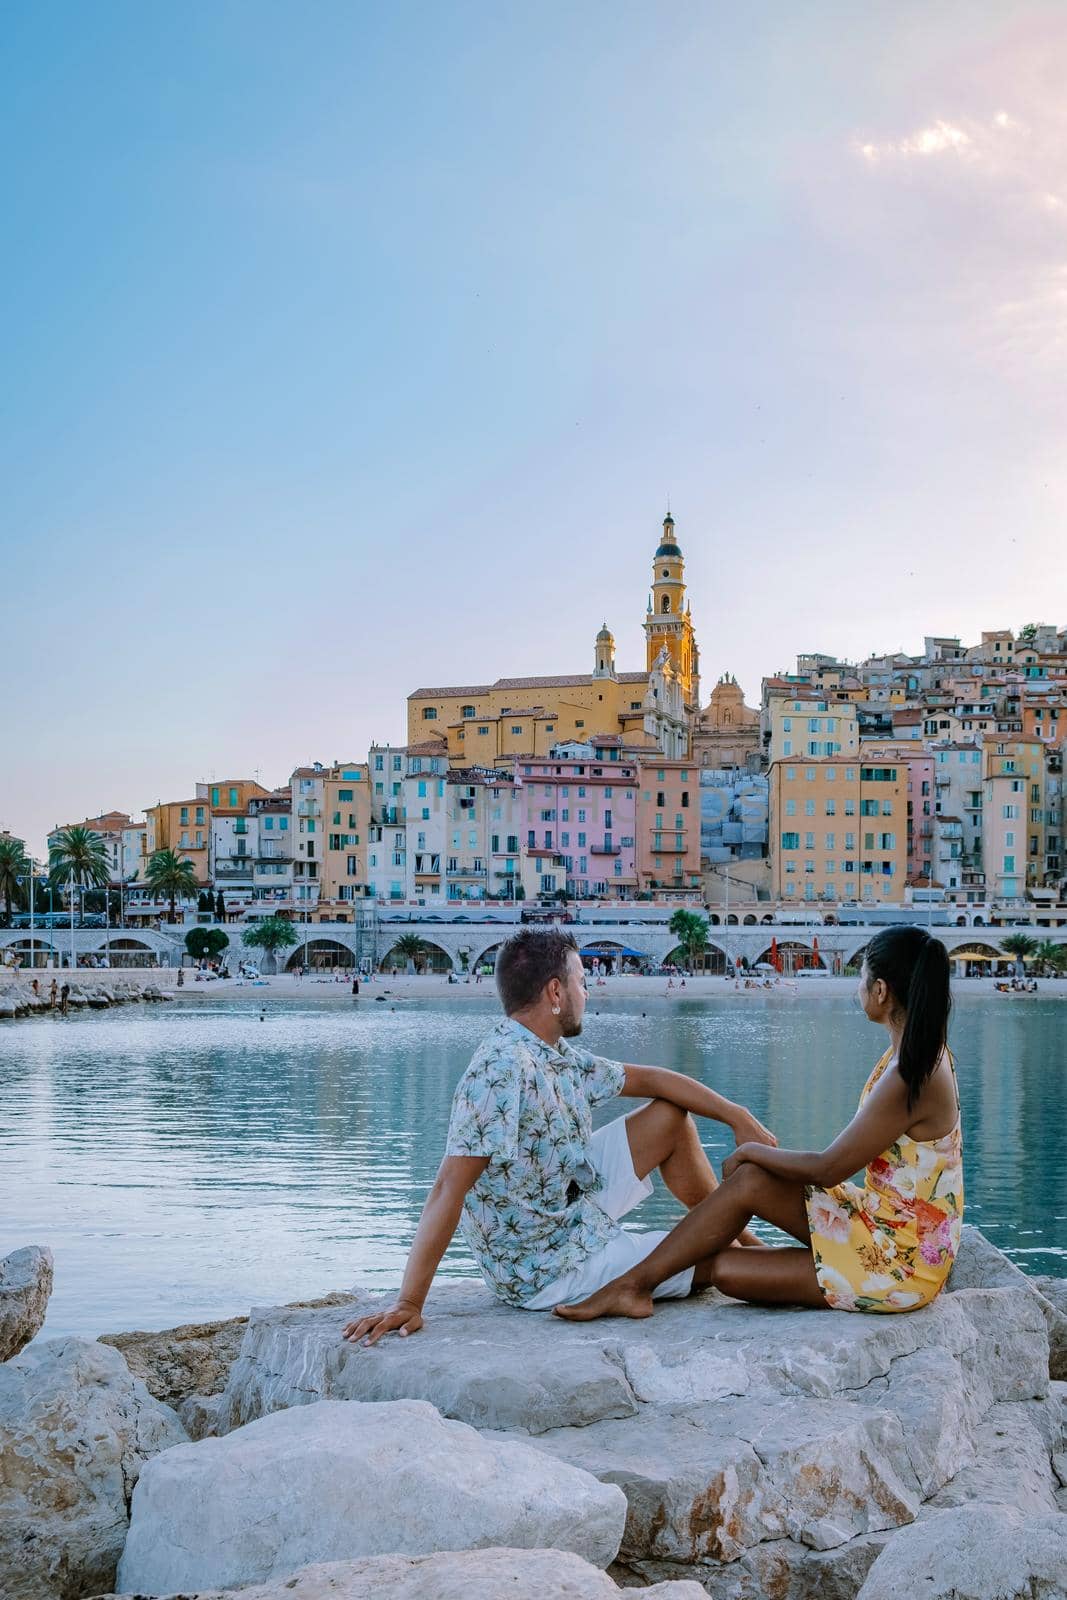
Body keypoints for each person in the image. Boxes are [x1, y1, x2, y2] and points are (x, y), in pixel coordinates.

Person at [342, 927, 775, 1347]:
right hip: (545, 1267)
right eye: (582, 982)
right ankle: (738, 1249)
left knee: (669, 1119)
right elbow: (447, 1188)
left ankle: (740, 1234)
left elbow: (656, 1081)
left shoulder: (553, 1054)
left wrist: (737, 1116)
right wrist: (410, 1301)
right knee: (716, 1260)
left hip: (567, 1207)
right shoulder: (501, 1068)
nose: (588, 994)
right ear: (555, 993)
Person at [555, 926, 962, 1322]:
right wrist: (754, 1161)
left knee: (727, 1270)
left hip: (899, 1264)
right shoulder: (916, 1053)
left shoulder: (911, 1074)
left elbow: (828, 1168)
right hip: (877, 1222)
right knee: (749, 1181)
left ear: (881, 991)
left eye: (862, 977)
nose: (857, 987)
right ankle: (632, 1286)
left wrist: (752, 1150)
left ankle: (634, 1284)